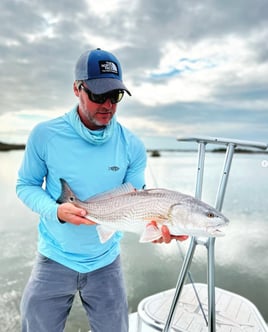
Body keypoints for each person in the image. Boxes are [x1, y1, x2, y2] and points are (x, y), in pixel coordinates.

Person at [16, 48, 188, 332]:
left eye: (115, 96)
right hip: (53, 257)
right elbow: (26, 185)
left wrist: (158, 229)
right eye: (98, 95)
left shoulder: (132, 145)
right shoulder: (45, 135)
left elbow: (139, 202)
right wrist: (56, 210)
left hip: (106, 262)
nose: (107, 104)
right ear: (76, 89)